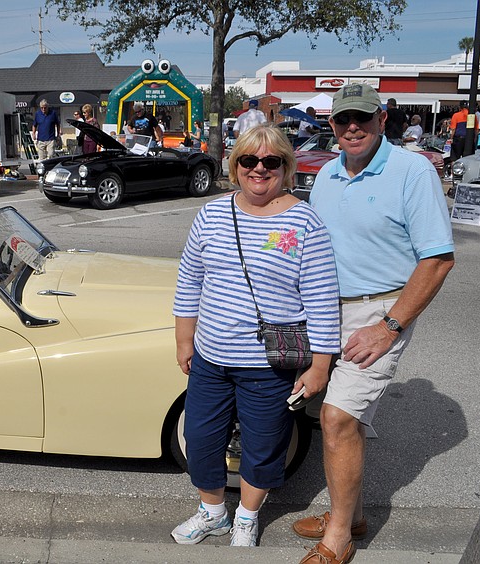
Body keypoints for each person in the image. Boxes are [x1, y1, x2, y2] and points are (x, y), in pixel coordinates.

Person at [294, 83, 454, 564]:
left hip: (378, 312)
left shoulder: (411, 171)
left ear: (382, 119)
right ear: (332, 125)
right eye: (343, 120)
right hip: (325, 311)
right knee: (340, 419)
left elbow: (438, 260)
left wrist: (389, 327)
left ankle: (339, 536)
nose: (352, 127)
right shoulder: (326, 175)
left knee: (337, 418)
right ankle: (353, 513)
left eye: (362, 117)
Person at [172, 124, 340, 548]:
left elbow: (321, 298)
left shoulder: (304, 221)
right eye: (249, 160)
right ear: (236, 165)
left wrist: (320, 365)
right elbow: (189, 280)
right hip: (211, 359)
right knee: (202, 438)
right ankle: (212, 513)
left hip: (269, 365)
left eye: (271, 162)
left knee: (264, 445)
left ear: (286, 167)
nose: (259, 169)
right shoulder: (211, 213)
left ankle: (246, 517)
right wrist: (184, 340)